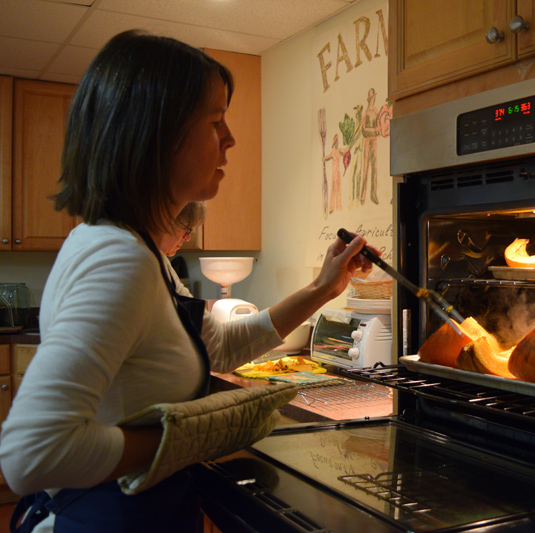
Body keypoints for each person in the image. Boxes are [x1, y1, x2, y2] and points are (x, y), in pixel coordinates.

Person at [0, 30, 375, 533]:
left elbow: (216, 349)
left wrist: (323, 290)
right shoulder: (118, 258)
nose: (230, 139)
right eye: (216, 121)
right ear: (156, 132)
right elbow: (32, 454)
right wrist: (190, 437)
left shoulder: (142, 252)